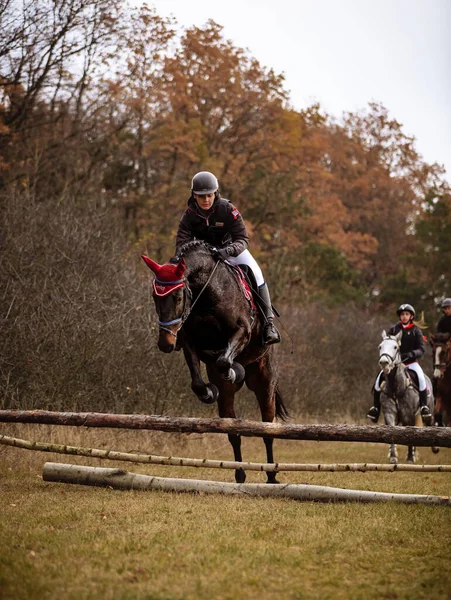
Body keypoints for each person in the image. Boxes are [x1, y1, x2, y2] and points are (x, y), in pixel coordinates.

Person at [173, 171, 280, 345]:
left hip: (231, 252)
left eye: (209, 195)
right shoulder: (189, 215)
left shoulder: (227, 209)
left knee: (257, 272)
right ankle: (180, 328)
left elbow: (242, 239)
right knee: (183, 281)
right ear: (194, 195)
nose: (206, 200)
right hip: (204, 257)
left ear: (215, 193)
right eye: (201, 197)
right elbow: (182, 244)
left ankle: (269, 323)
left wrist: (228, 251)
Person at [367, 303, 432, 425]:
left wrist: (412, 354)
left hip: (411, 363)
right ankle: (375, 408)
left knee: (422, 379)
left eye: (407, 314)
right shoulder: (394, 329)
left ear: (411, 316)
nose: (404, 316)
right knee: (378, 381)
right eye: (402, 314)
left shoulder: (415, 331)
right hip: (395, 364)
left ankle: (424, 407)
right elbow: (387, 344)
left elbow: (421, 349)